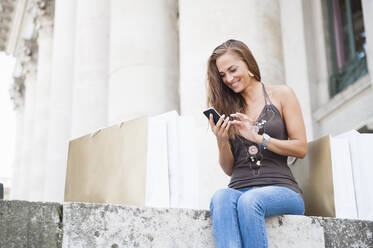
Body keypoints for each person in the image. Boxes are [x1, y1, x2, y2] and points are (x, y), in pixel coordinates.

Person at [206, 39, 307, 248]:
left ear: (248, 63)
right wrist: (222, 140)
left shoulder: (282, 95)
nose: (229, 79)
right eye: (223, 75)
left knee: (250, 201)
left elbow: (301, 148)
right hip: (239, 188)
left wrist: (260, 138)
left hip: (281, 189)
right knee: (220, 197)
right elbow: (228, 169)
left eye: (233, 70)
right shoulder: (228, 106)